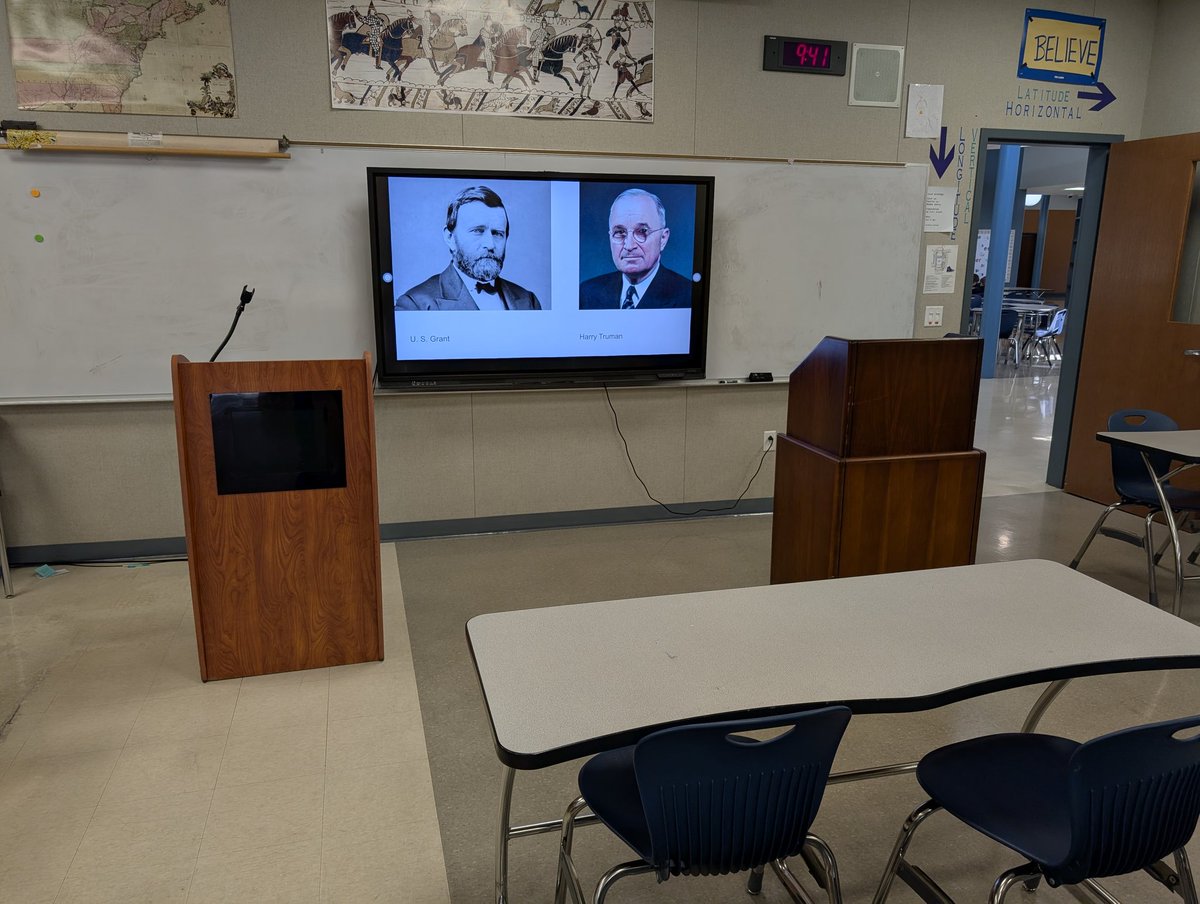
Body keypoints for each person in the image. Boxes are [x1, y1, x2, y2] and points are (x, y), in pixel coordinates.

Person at [396, 186, 542, 311]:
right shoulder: (415, 304)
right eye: (477, 231)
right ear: (450, 238)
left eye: (497, 233)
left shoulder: (529, 301)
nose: (490, 245)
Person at [579, 188, 693, 310]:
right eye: (619, 232)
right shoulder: (587, 293)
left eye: (642, 231)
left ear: (663, 239)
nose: (629, 246)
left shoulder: (689, 296)